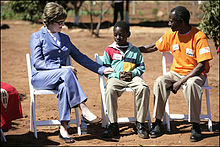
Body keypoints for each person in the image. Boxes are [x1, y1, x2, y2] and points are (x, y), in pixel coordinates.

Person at [30, 2, 114, 143]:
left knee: (65, 85)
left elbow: (80, 57)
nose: (63, 25)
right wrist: (61, 67)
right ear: (50, 20)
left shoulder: (65, 38)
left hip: (60, 80)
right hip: (40, 77)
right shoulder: (37, 36)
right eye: (60, 22)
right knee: (68, 72)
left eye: (63, 22)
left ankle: (63, 128)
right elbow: (38, 63)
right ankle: (84, 108)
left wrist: (101, 69)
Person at [139, 6, 213, 142]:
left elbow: (201, 65)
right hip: (176, 73)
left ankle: (195, 126)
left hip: (195, 74)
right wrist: (134, 50)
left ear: (182, 22)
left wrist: (181, 81)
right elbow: (155, 46)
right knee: (160, 81)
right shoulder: (171, 34)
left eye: (171, 21)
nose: (169, 24)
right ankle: (158, 122)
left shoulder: (198, 36)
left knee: (191, 85)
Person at [102, 21, 150, 139]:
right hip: (116, 78)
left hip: (133, 78)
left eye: (121, 35)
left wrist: (132, 73)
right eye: (115, 35)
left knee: (143, 88)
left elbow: (141, 67)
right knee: (109, 89)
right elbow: (105, 68)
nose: (118, 37)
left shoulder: (135, 50)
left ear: (128, 34)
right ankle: (113, 125)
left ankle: (140, 123)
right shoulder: (109, 50)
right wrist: (117, 74)